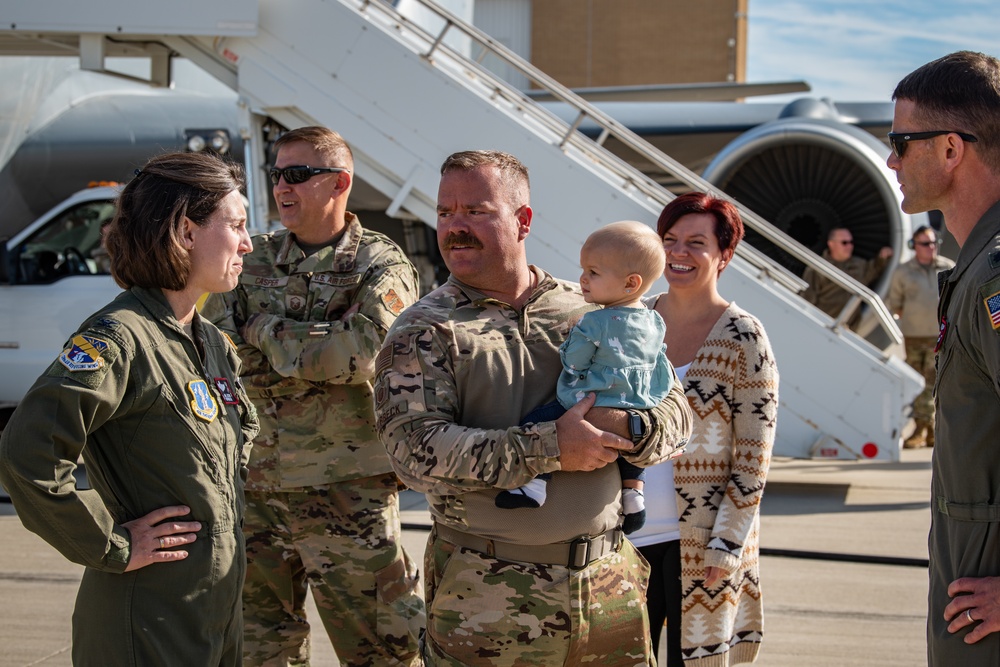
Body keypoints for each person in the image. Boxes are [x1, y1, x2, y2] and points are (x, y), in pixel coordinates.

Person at [374, 149, 692, 666]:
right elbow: (413, 453)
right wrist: (551, 447)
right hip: (487, 600)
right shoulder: (424, 329)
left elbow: (677, 414)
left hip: (609, 589)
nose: (455, 227)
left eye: (475, 211)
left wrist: (629, 427)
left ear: (522, 220)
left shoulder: (596, 308)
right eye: (444, 212)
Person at [0, 151, 259, 666]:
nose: (248, 243)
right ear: (187, 232)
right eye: (237, 225)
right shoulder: (118, 339)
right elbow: (28, 455)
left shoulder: (210, 342)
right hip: (147, 620)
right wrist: (112, 544)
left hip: (214, 612)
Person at [201, 126, 424, 667]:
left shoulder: (379, 263)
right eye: (277, 174)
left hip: (347, 492)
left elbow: (362, 354)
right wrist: (311, 343)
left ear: (339, 183)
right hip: (252, 487)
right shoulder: (252, 258)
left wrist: (262, 330)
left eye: (298, 174)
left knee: (382, 650)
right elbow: (213, 351)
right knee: (257, 648)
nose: (282, 186)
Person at [631, 191, 779, 666]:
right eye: (670, 239)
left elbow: (754, 458)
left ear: (724, 255)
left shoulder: (744, 337)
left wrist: (727, 544)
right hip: (625, 539)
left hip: (701, 547)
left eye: (696, 243)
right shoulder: (634, 321)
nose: (678, 253)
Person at [886, 50, 1000, 665]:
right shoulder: (977, 269)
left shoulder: (995, 279)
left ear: (951, 149)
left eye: (901, 142)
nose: (891, 159)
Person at [495, 220, 673, 536]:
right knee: (630, 447)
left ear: (631, 283)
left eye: (593, 272)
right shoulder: (655, 321)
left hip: (589, 403)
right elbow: (660, 362)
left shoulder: (594, 322)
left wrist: (568, 352)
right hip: (637, 405)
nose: (582, 279)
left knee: (539, 420)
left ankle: (536, 484)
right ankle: (634, 493)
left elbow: (575, 359)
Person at [886, 225, 955, 448]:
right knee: (918, 384)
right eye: (926, 243)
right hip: (915, 338)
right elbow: (896, 304)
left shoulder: (948, 267)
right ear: (914, 246)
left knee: (935, 384)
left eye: (934, 242)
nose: (931, 247)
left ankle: (927, 429)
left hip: (940, 336)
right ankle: (923, 429)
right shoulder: (903, 272)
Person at [801, 226, 893, 326]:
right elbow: (807, 300)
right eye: (844, 243)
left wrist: (882, 258)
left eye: (851, 242)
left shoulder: (859, 265)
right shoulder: (817, 268)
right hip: (823, 325)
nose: (849, 246)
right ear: (831, 244)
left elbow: (874, 270)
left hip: (849, 329)